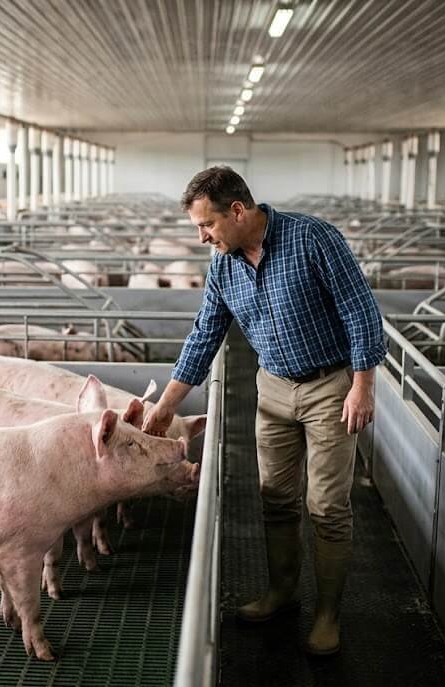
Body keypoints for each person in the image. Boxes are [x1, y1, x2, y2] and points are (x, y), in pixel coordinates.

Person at [142, 166, 386, 656]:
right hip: (271, 390)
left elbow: (360, 311)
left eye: (206, 225)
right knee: (274, 497)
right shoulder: (223, 267)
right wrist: (166, 409)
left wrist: (362, 386)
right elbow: (204, 336)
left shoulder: (313, 238)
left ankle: (327, 614)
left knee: (327, 507)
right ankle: (281, 592)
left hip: (329, 389)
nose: (202, 237)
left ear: (237, 211)